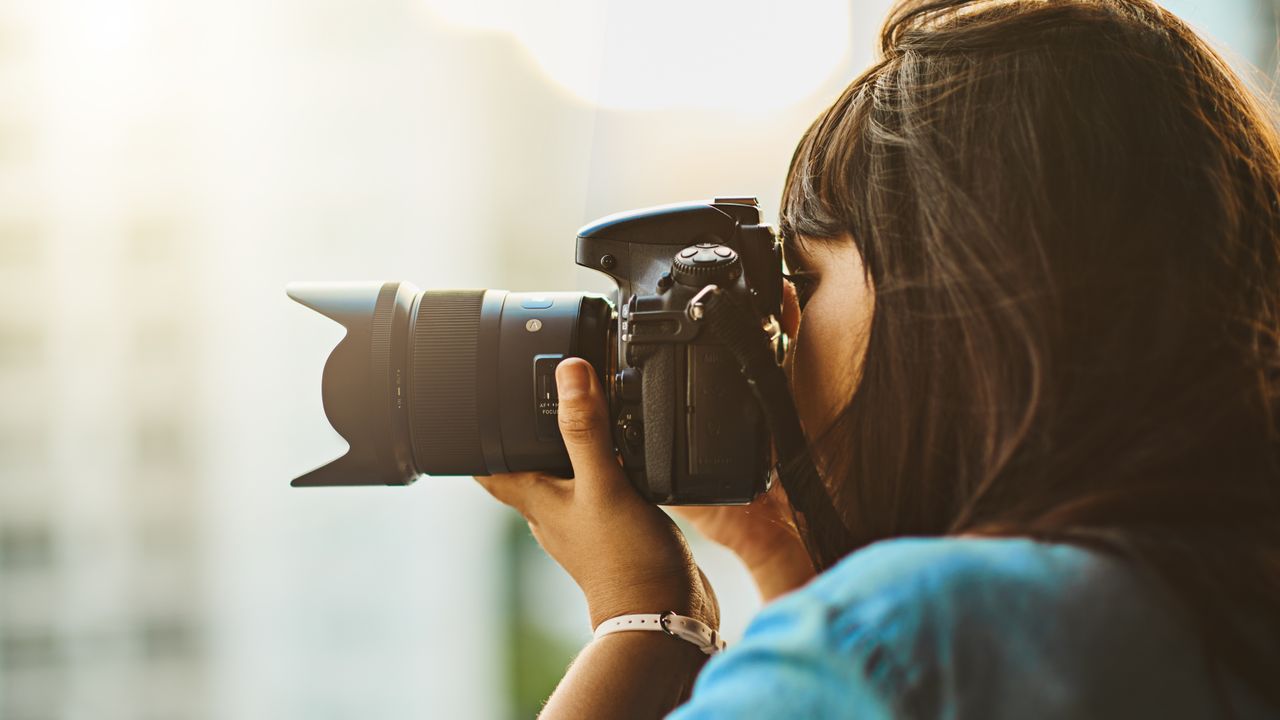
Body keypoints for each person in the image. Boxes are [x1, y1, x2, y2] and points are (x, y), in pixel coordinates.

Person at [474, 0, 1280, 717]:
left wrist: (645, 620)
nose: (781, 328)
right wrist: (783, 555)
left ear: (952, 300)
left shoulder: (911, 637)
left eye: (807, 280)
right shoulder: (1217, 605)